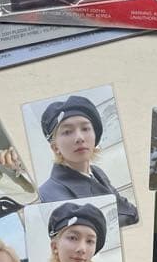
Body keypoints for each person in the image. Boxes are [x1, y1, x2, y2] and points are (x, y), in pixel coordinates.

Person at [35, 94, 139, 226]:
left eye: (85, 128)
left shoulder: (96, 172)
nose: (79, 138)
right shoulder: (48, 195)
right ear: (55, 147)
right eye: (67, 132)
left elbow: (124, 206)